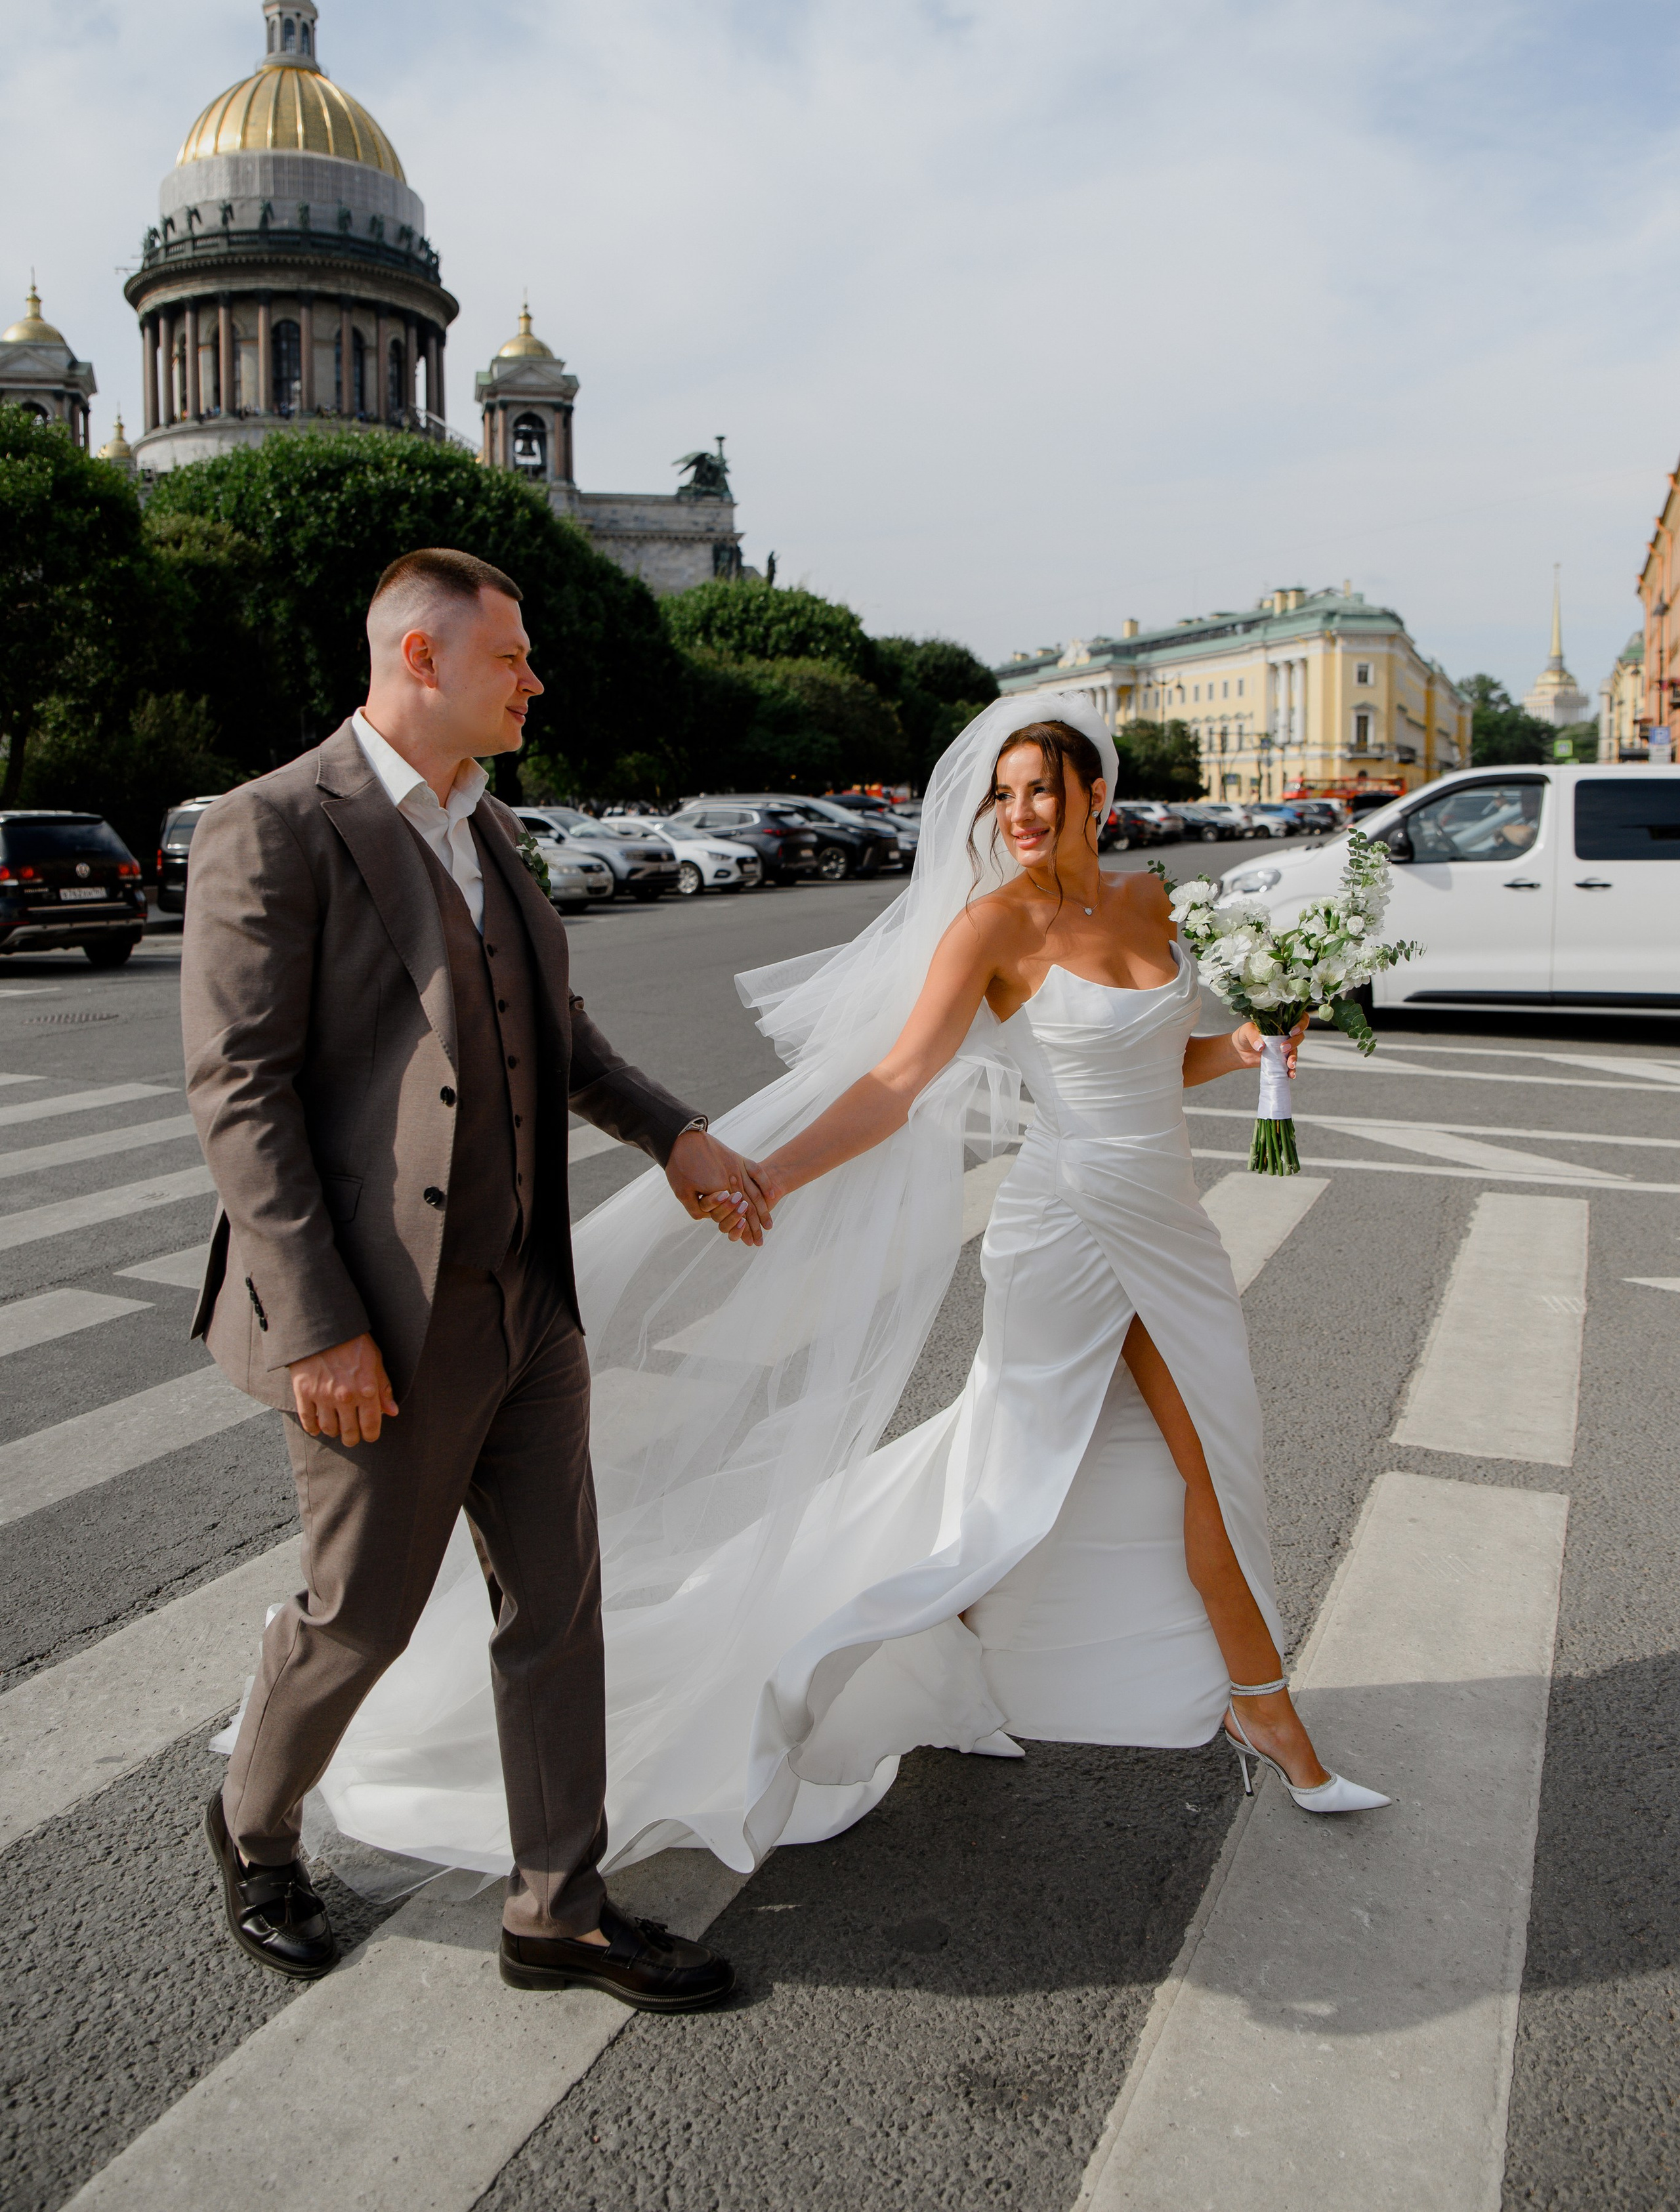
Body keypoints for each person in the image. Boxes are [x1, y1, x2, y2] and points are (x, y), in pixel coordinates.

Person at [293, 689, 1383, 1900]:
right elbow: (898, 1083)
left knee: (1083, 1470)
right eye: (1003, 795)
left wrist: (1245, 1048)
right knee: (1153, 1464)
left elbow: (1154, 1061)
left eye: (1041, 790)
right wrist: (772, 1175)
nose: (1019, 813)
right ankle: (1260, 1708)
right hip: (1070, 1230)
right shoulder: (992, 927)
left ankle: (962, 1659)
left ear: (1096, 796)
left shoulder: (1152, 903)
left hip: (1171, 1225)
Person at [184, 545, 761, 2009]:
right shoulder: (274, 823)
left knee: (558, 1610)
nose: (534, 681)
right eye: (511, 656)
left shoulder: (488, 826)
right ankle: (254, 1824)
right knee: (360, 1618)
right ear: (421, 658)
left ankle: (558, 1909)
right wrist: (319, 1325)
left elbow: (553, 1033)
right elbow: (240, 1094)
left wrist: (676, 1133)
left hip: (525, 1302)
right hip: (376, 1320)